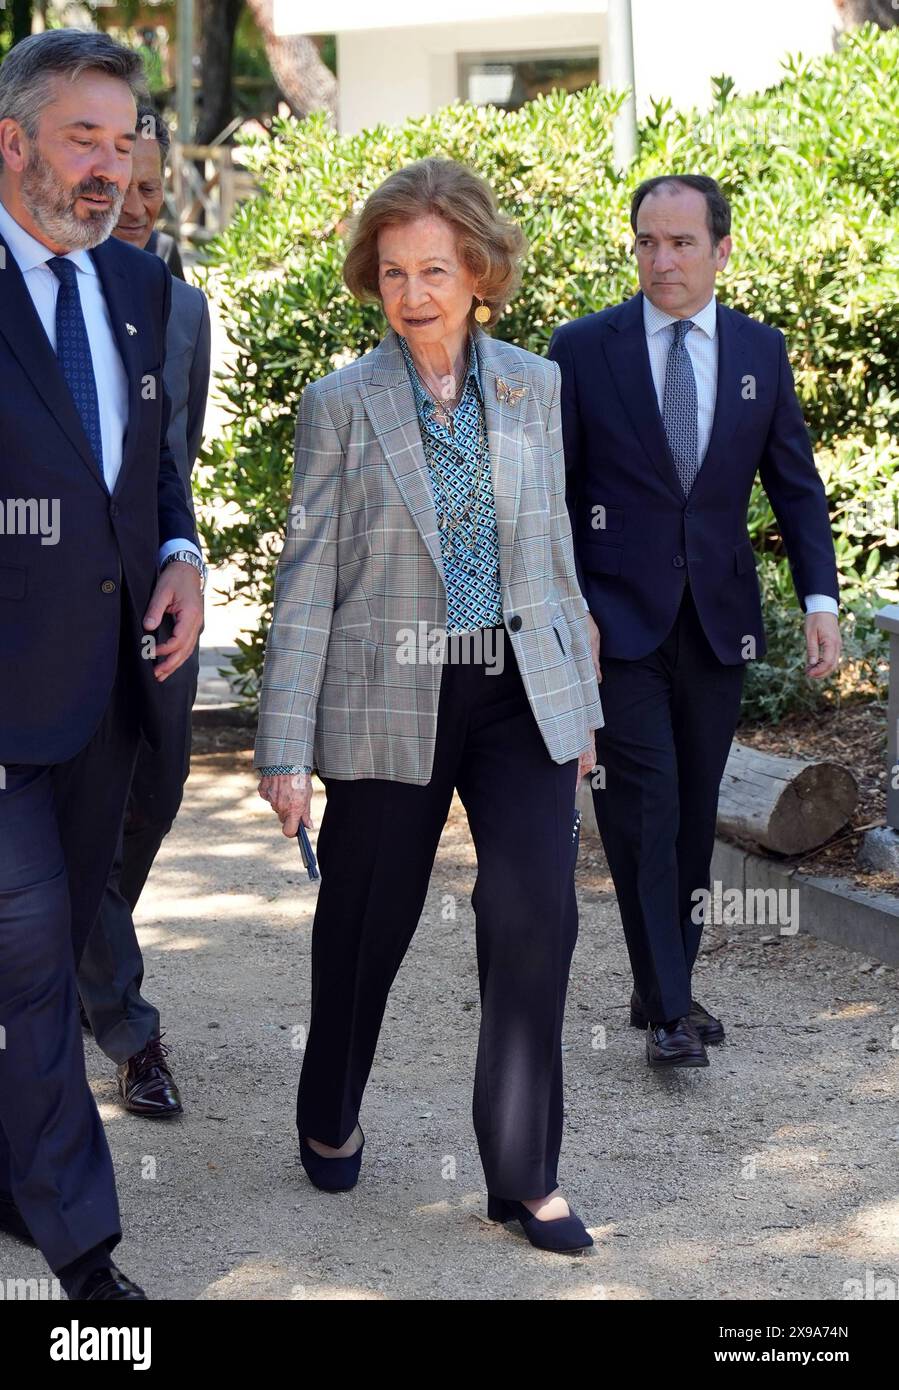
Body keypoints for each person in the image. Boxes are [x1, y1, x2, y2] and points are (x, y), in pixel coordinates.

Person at [255, 157, 601, 1252]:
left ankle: (520, 1175)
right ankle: (327, 1110)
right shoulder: (339, 405)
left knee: (532, 913)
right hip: (388, 692)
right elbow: (305, 582)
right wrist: (282, 745)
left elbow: (551, 563)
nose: (413, 294)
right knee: (368, 921)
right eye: (394, 271)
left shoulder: (534, 388)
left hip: (519, 692)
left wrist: (580, 705)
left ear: (478, 272)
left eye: (435, 270)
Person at [549, 174, 841, 1069]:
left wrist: (818, 601)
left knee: (692, 813)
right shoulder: (582, 349)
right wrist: (570, 613)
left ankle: (656, 983)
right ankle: (673, 1010)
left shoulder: (759, 350)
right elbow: (551, 498)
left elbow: (793, 484)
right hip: (615, 626)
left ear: (719, 249)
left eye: (680, 243)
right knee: (642, 806)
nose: (661, 260)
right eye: (646, 242)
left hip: (717, 624)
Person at [0, 29, 203, 1299]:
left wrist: (178, 549)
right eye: (82, 136)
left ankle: (18, 1178)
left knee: (62, 939)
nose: (108, 164)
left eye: (123, 141)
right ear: (10, 140)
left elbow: (145, 460)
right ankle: (84, 1250)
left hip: (111, 696)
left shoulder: (137, 283)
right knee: (27, 960)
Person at [77, 104, 211, 1119]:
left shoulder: (179, 304)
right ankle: (128, 1025)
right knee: (67, 817)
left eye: (153, 189)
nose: (136, 204)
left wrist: (182, 557)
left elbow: (173, 464)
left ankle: (79, 939)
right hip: (50, 612)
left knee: (151, 797)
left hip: (158, 596)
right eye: (123, 182)